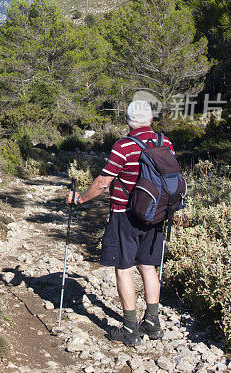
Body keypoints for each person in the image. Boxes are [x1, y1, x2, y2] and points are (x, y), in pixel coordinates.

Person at [66, 100, 174, 347]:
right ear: (151, 120)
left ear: (127, 121)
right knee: (148, 266)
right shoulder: (164, 142)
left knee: (124, 268)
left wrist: (80, 199)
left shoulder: (123, 146)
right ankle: (153, 322)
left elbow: (104, 182)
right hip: (156, 215)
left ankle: (129, 327)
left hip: (124, 215)